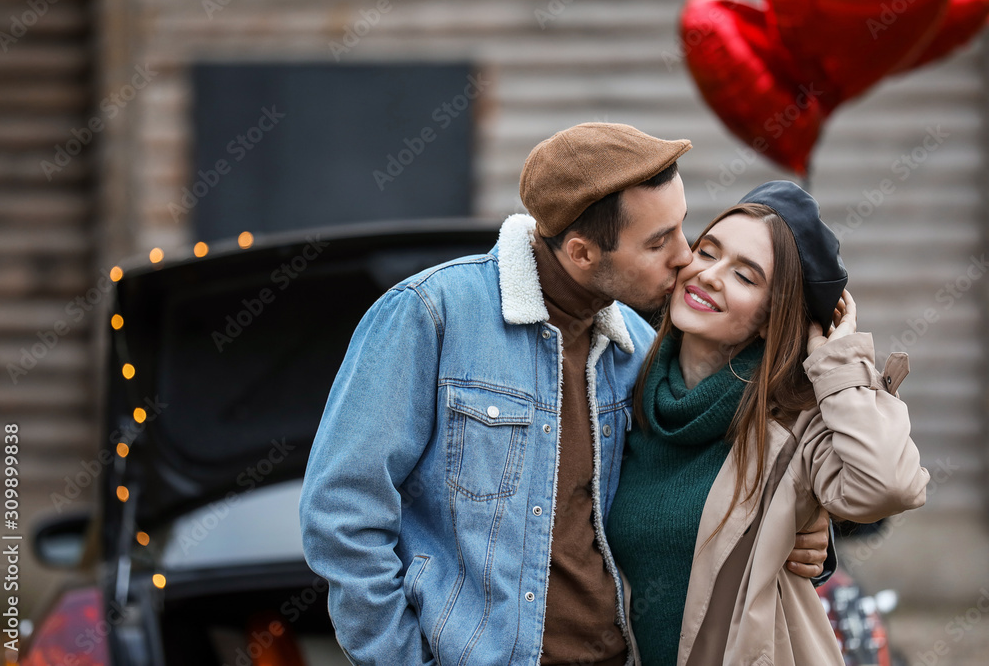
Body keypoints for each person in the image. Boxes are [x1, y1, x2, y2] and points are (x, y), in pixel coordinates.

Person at [299, 124, 830, 665]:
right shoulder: (431, 316)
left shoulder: (640, 348)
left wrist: (808, 524)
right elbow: (342, 514)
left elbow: (719, 479)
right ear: (581, 253)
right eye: (657, 241)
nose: (685, 256)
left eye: (681, 228)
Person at [606, 180, 931, 665]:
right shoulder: (623, 382)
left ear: (769, 315)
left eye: (745, 276)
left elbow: (885, 487)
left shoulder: (795, 417)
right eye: (707, 251)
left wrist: (840, 363)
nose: (710, 275)